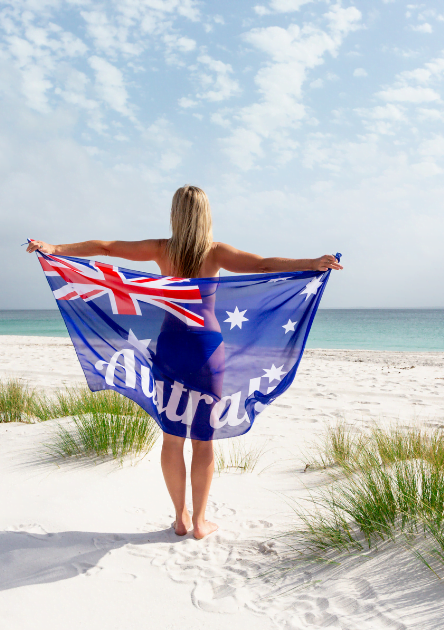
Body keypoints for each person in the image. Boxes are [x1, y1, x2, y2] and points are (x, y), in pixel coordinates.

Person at [26, 185, 342, 539]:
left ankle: (180, 518)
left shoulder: (162, 250)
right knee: (203, 441)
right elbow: (264, 265)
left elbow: (106, 248)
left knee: (173, 437)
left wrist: (55, 249)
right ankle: (200, 523)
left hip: (171, 347)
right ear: (207, 215)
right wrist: (312, 264)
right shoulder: (216, 252)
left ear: (175, 214)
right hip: (207, 351)